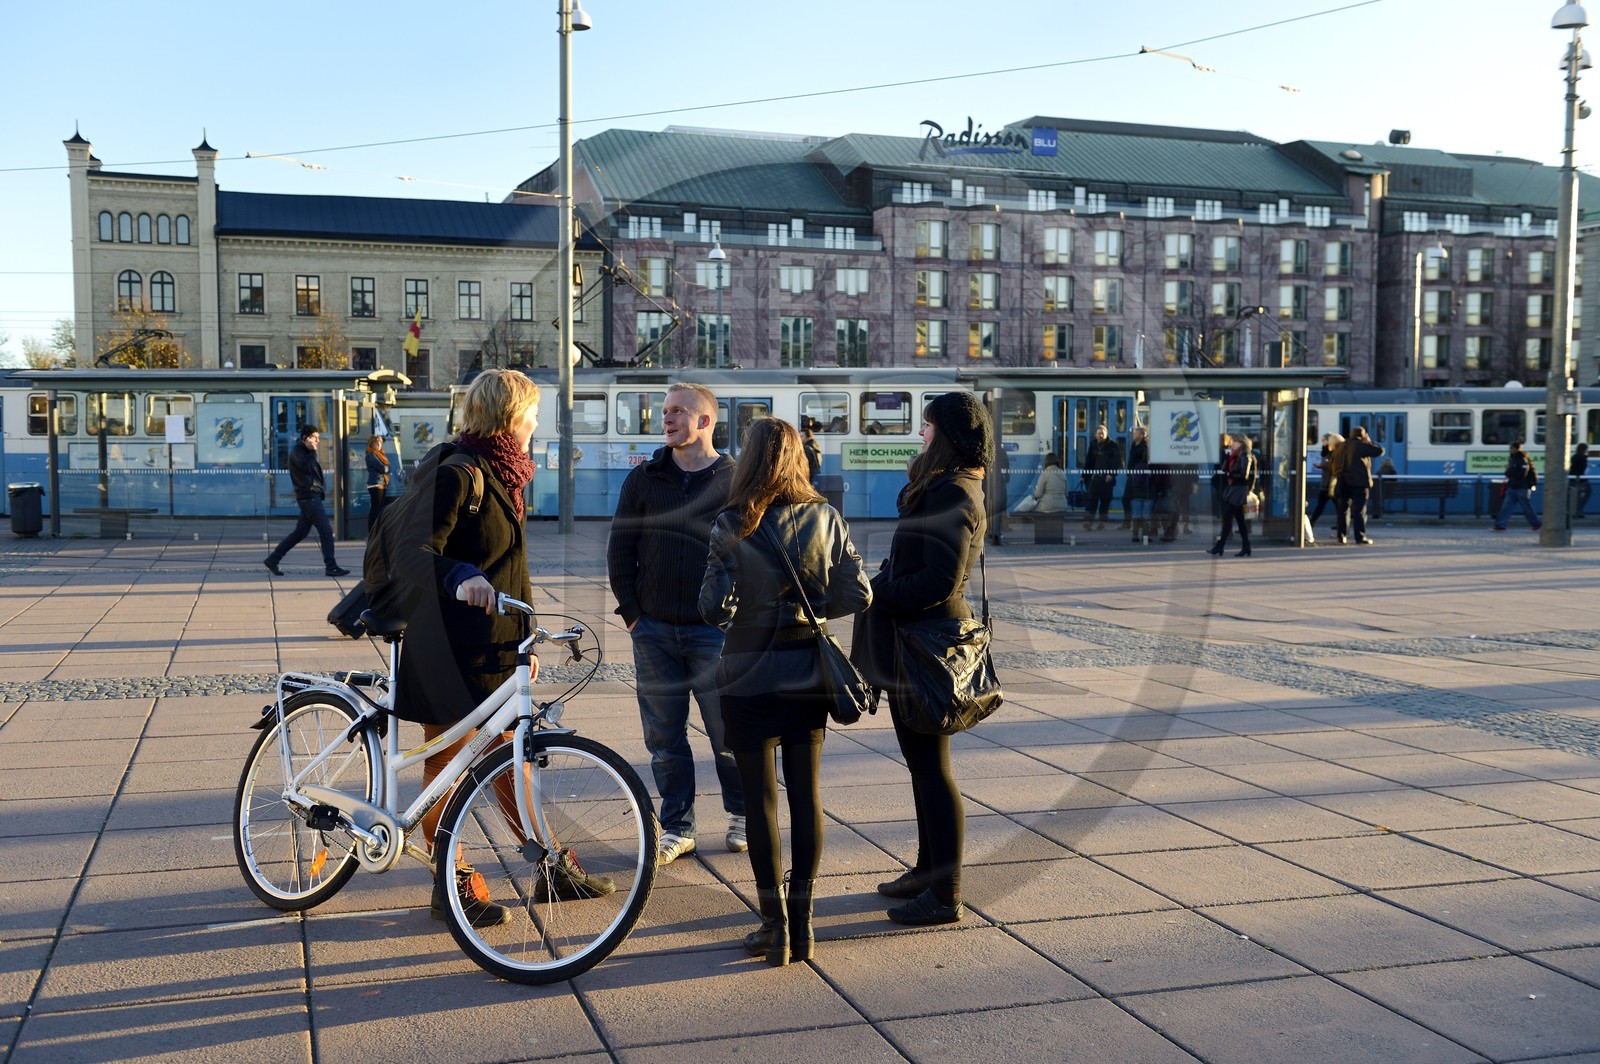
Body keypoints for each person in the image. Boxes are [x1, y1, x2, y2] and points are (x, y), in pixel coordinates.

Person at [384, 369, 610, 927]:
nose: (538, 423)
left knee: (508, 759)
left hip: (493, 647)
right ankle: (452, 882)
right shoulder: (458, 472)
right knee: (446, 766)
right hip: (446, 649)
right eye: (533, 412)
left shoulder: (504, 474)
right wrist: (457, 572)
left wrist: (525, 639)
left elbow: (511, 570)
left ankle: (551, 867)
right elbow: (410, 554)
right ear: (511, 416)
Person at [699, 417, 871, 967]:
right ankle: (804, 923)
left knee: (760, 804)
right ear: (799, 457)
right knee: (806, 795)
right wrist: (811, 611)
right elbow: (859, 593)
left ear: (748, 460)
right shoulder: (825, 516)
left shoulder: (733, 522)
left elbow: (712, 608)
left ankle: (772, 926)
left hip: (748, 668)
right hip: (805, 669)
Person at [854, 391, 992, 927]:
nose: (920, 435)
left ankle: (946, 893)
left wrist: (875, 593)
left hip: (927, 647)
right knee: (921, 765)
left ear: (949, 435)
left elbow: (939, 581)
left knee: (933, 770)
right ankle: (927, 868)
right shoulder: (947, 487)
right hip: (914, 641)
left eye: (928, 427)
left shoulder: (955, 491)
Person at [607, 382, 747, 865]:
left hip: (717, 632)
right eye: (664, 411)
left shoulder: (735, 480)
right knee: (663, 739)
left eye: (678, 412)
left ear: (705, 421)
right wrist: (633, 616)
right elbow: (620, 550)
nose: (666, 419)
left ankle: (743, 813)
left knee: (729, 734)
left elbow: (754, 552)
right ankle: (677, 826)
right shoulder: (644, 479)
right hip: (654, 631)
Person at [263, 425, 350, 577]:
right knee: (326, 530)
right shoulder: (298, 452)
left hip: (311, 496)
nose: (318, 440)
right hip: (308, 497)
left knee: (300, 533)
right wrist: (313, 451)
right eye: (314, 437)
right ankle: (331, 566)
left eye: (318, 437)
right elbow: (308, 467)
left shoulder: (305, 452)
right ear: (305, 438)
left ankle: (273, 559)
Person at [1207, 435, 1258, 558]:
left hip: (1239, 489)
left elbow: (1243, 474)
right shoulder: (1235, 455)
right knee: (1239, 520)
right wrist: (1229, 458)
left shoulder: (1245, 455)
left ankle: (1220, 546)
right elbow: (1224, 469)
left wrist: (1230, 473)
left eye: (1235, 442)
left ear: (1241, 443)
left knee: (1228, 516)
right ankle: (1246, 546)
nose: (1232, 444)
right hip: (1234, 488)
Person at [1332, 426, 1384, 544]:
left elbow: (1333, 462)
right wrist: (1369, 441)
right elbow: (1379, 451)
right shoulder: (1361, 445)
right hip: (1359, 483)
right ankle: (1359, 537)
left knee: (1343, 510)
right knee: (1359, 511)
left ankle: (1342, 536)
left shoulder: (1341, 446)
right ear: (1363, 435)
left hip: (1342, 482)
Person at [1493, 440, 1543, 532]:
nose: (1510, 450)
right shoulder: (1513, 459)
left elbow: (1521, 474)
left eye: (1511, 448)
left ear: (1516, 449)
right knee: (1508, 506)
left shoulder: (1521, 459)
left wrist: (1510, 471)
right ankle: (1500, 524)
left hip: (1521, 487)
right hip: (1514, 486)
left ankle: (1536, 523)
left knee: (1524, 507)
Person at [1082, 424, 1119, 530]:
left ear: (1106, 434)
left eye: (1103, 433)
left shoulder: (1112, 445)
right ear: (1095, 435)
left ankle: (1102, 521)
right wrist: (1084, 476)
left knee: (1105, 501)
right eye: (1099, 433)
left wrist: (1111, 474)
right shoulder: (1093, 445)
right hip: (1094, 479)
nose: (1101, 435)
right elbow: (1089, 461)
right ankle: (1089, 522)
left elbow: (1116, 462)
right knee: (1092, 500)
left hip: (1107, 479)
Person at [1306, 433, 1342, 532]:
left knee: (1330, 505)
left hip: (1331, 484)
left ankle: (1312, 522)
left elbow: (1332, 466)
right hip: (1326, 482)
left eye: (1324, 440)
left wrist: (1322, 466)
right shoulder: (1326, 451)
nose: (1323, 443)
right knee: (1332, 505)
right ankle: (1340, 524)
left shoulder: (1333, 452)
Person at [1122, 425, 1151, 541]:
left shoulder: (1144, 447)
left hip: (1139, 478)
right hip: (1133, 476)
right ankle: (1133, 526)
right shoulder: (1134, 445)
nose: (1133, 435)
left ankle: (1138, 531)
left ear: (1141, 435)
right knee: (1127, 499)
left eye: (1135, 433)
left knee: (1136, 502)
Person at [986, 443, 1010, 546]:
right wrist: (1006, 477)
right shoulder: (1001, 451)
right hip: (998, 483)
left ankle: (991, 529)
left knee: (991, 505)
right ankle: (996, 528)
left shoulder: (988, 449)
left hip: (989, 483)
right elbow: (1006, 465)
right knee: (1000, 505)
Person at [365, 435, 391, 529]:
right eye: (377, 443)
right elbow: (383, 468)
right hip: (375, 484)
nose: (379, 445)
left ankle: (377, 529)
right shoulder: (371, 455)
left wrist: (386, 468)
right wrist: (386, 468)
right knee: (375, 508)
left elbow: (387, 467)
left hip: (382, 483)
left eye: (380, 443)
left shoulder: (379, 454)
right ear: (372, 444)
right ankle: (372, 530)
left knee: (379, 508)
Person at [1571, 443, 1590, 517]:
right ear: (1584, 449)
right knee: (1584, 493)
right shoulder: (1582, 458)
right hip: (1580, 480)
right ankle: (1577, 511)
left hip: (1575, 479)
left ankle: (1576, 511)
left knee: (1576, 495)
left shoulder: (1575, 457)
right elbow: (1581, 469)